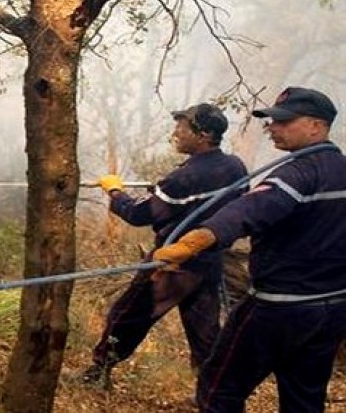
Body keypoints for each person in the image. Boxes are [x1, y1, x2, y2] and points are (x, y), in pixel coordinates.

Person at [154, 86, 346, 413]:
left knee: (218, 388)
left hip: (277, 308)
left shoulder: (297, 173)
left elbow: (249, 210)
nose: (272, 127)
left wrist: (196, 239)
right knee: (304, 398)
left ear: (316, 126)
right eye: (272, 121)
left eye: (284, 121)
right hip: (331, 309)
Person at [82, 103, 248, 389]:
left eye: (182, 128)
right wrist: (160, 192)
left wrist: (114, 191)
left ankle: (98, 373)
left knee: (127, 316)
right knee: (205, 333)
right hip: (210, 263)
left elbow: (138, 214)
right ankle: (213, 393)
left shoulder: (184, 178)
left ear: (204, 134)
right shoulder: (234, 167)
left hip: (172, 265)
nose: (175, 133)